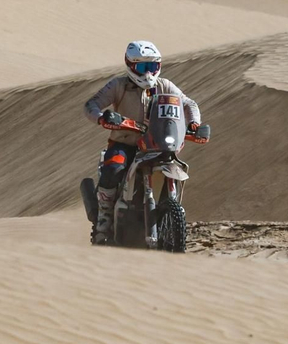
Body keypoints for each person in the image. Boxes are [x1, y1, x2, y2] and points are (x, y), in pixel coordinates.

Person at [82, 40, 207, 244]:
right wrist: (101, 117)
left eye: (153, 67)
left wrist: (193, 123)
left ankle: (171, 221)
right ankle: (103, 223)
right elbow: (91, 104)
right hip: (125, 144)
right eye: (142, 67)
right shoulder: (118, 86)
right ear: (131, 66)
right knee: (113, 169)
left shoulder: (164, 86)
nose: (148, 73)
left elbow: (188, 103)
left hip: (157, 144)